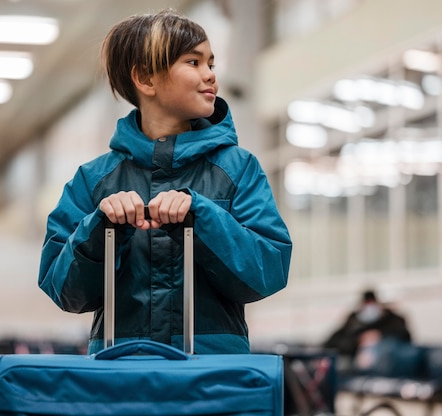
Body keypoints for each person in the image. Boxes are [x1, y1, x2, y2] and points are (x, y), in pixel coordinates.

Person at [37, 9, 292, 355]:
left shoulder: (239, 169)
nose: (210, 76)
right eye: (193, 62)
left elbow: (269, 271)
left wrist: (202, 217)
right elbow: (64, 290)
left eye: (211, 64)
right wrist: (99, 230)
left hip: (212, 378)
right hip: (122, 372)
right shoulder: (93, 181)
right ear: (145, 79)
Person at [322, 289, 412, 367]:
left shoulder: (394, 320)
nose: (370, 308)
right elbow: (334, 341)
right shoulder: (354, 321)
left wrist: (380, 336)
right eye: (367, 303)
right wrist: (358, 341)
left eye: (372, 303)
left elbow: (405, 338)